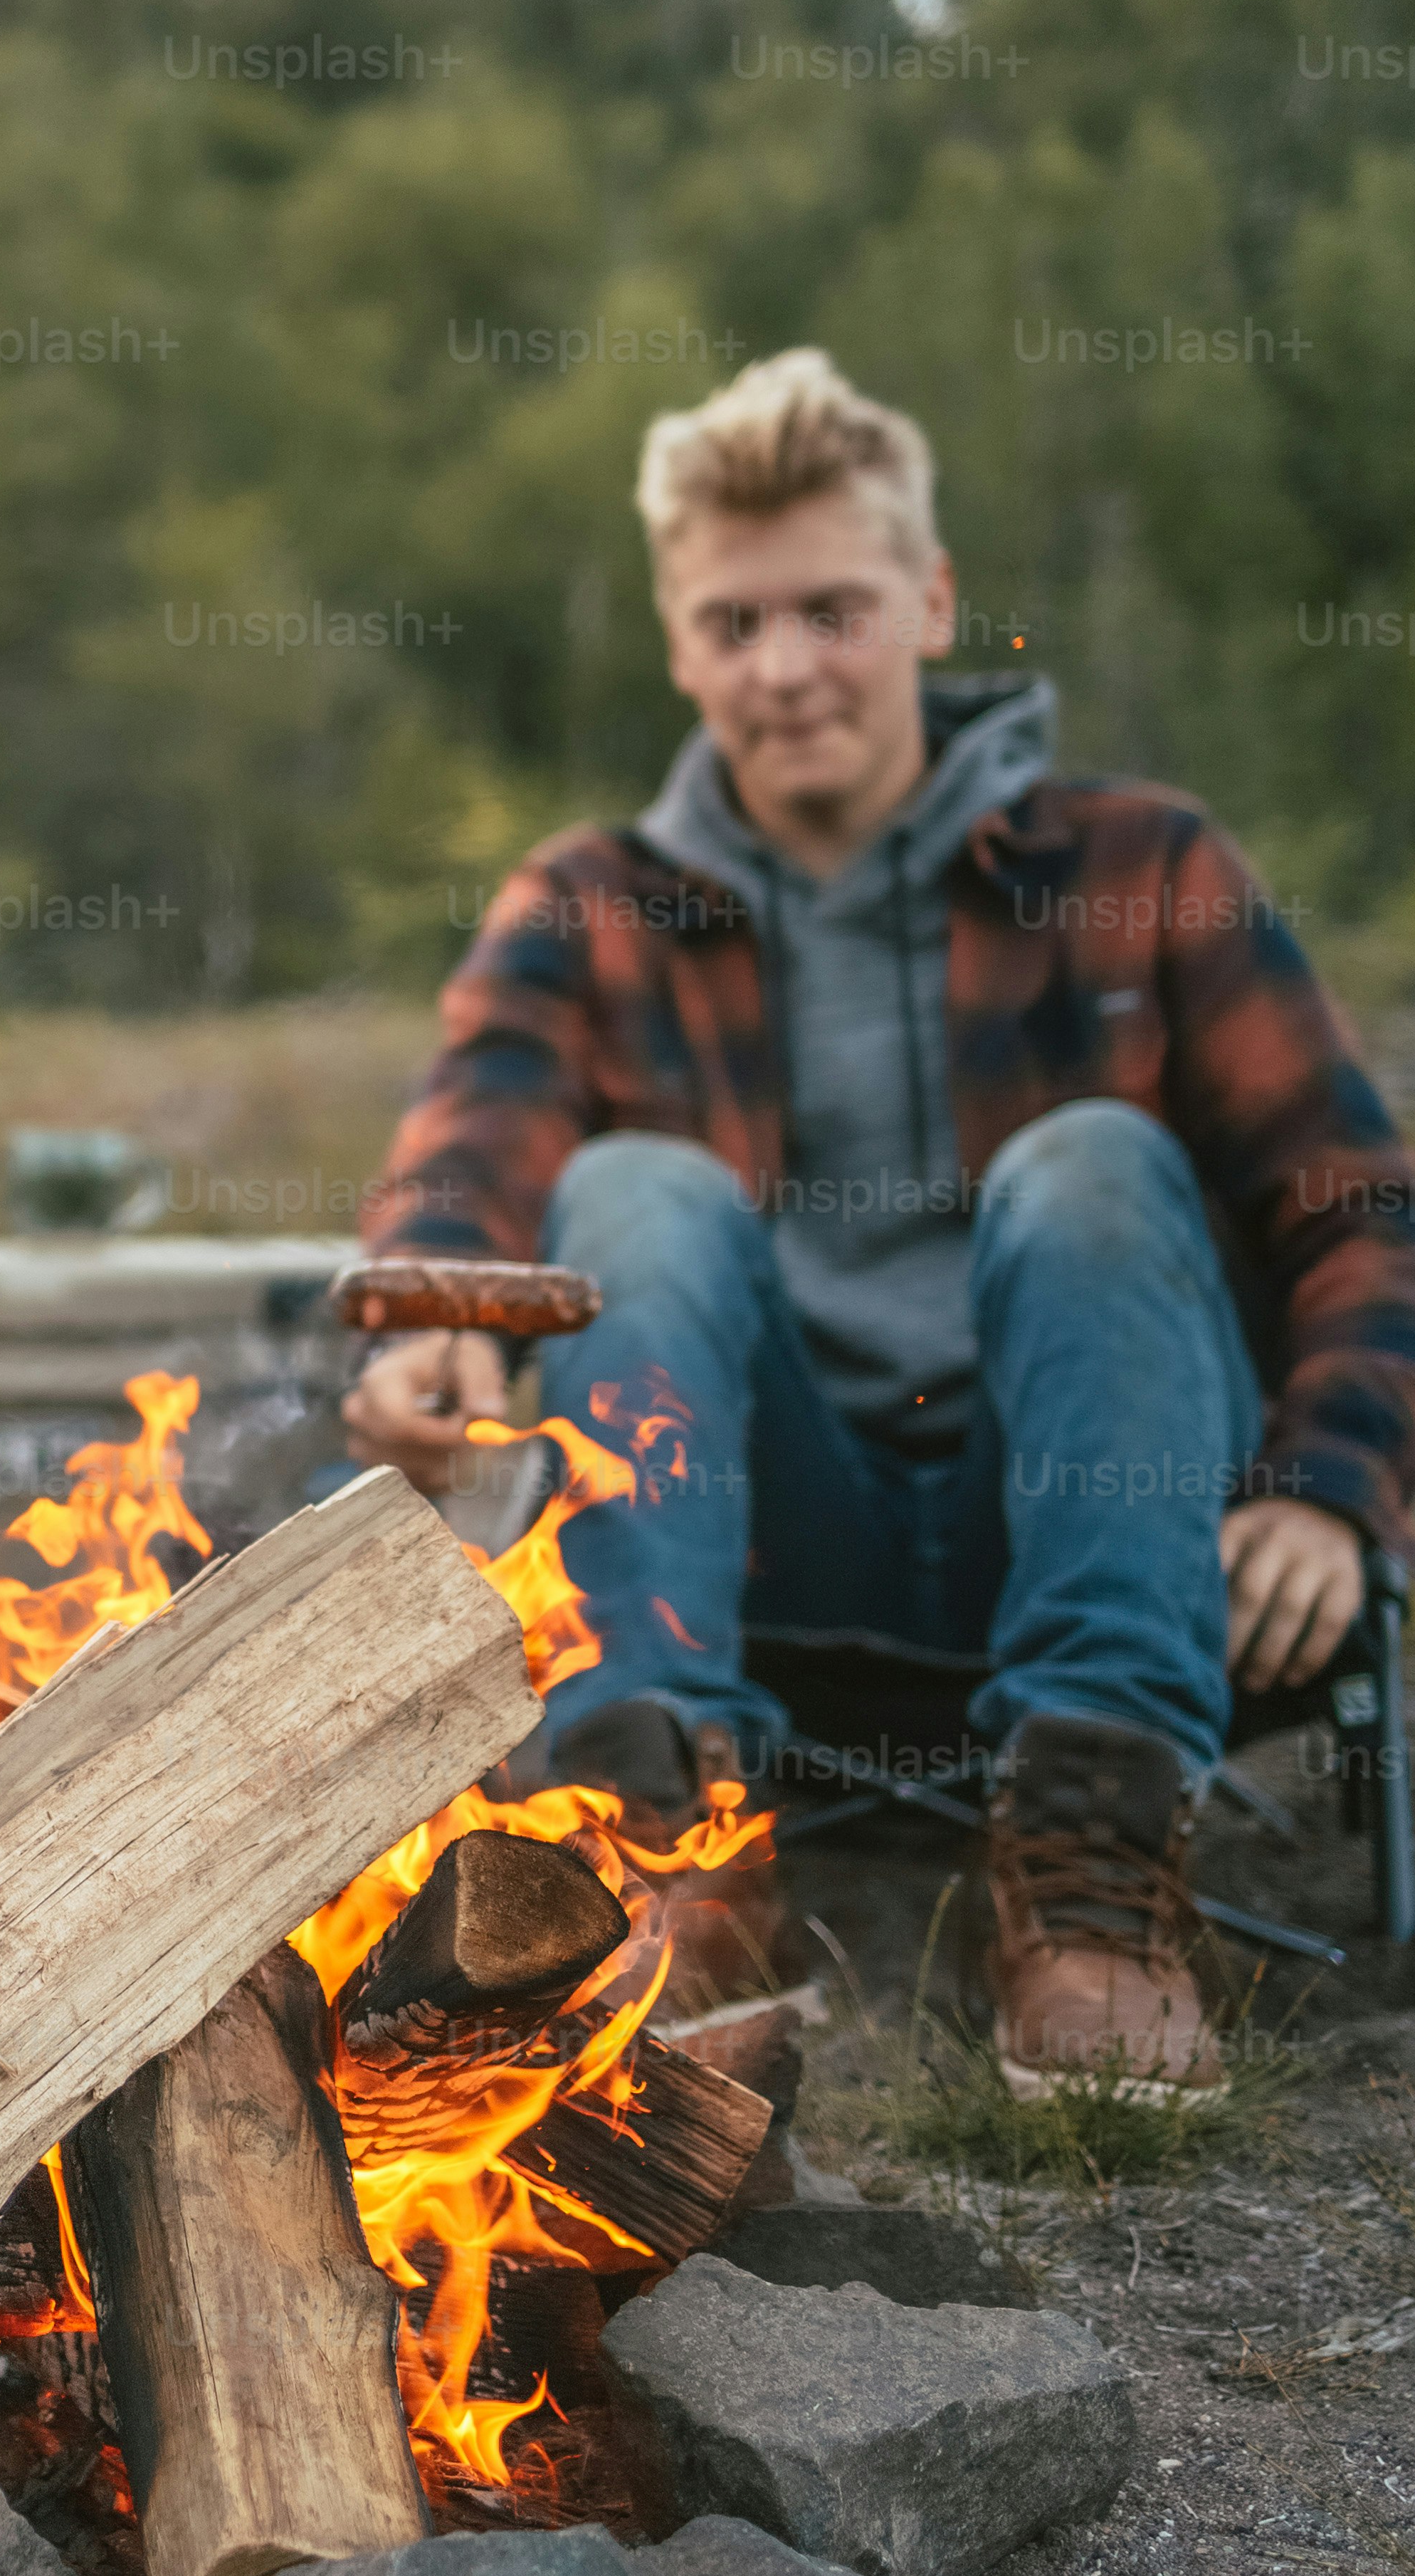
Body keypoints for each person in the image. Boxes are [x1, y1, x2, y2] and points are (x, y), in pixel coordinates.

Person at [346, 350, 1415, 2091]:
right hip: (763, 1543)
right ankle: (659, 1845)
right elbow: (462, 1168)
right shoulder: (589, 902)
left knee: (1089, 1160)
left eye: (830, 610)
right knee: (622, 1192)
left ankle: (1090, 1870)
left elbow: (1362, 1216)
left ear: (926, 600)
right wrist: (426, 1324)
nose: (781, 668)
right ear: (681, 644)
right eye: (733, 622)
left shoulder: (1146, 859)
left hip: (1100, 1515)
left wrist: (1330, 1487)